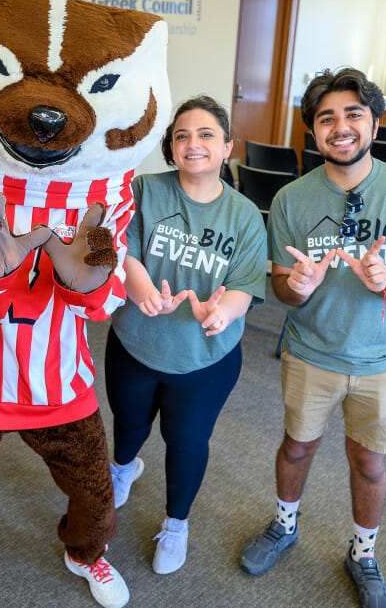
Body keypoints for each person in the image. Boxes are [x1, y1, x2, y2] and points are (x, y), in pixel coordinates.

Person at [238, 68, 386, 608]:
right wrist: (298, 287)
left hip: (382, 358)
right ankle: (285, 525)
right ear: (313, 133)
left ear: (375, 124)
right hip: (311, 351)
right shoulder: (290, 200)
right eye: (327, 118)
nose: (341, 127)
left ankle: (362, 552)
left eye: (353, 114)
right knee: (297, 445)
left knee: (369, 462)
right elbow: (284, 292)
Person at [105, 96, 267, 574]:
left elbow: (245, 284)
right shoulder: (144, 190)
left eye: (205, 135)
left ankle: (176, 524)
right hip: (136, 342)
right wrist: (138, 287)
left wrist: (223, 312)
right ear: (170, 148)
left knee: (187, 441)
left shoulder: (243, 215)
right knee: (129, 423)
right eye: (181, 136)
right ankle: (123, 469)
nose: (192, 143)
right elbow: (122, 249)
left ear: (227, 147)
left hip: (205, 358)